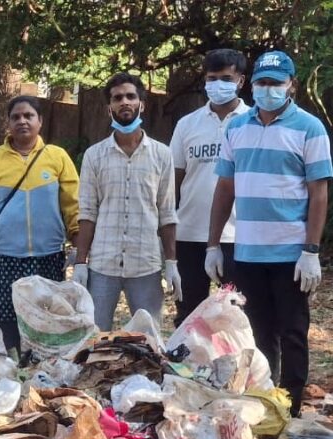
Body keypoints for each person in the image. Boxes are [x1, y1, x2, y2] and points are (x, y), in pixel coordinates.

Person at [207, 50, 332, 417]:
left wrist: (311, 250)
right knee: (257, 335)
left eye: (276, 83)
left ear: (291, 85)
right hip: (247, 252)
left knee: (293, 335)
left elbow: (319, 192)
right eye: (262, 82)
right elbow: (224, 188)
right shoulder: (236, 127)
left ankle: (290, 409)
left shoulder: (309, 127)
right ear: (252, 84)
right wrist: (213, 245)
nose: (268, 89)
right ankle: (264, 403)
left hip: (291, 254)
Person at [0, 95, 79, 352]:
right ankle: (11, 365)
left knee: (47, 316)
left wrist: (78, 244)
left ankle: (43, 367)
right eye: (15, 117)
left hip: (48, 256)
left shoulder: (57, 157)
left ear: (40, 121)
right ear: (8, 122)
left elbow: (73, 204)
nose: (22, 121)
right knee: (7, 316)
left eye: (29, 116)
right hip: (5, 257)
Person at [74, 72, 181, 332]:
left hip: (145, 263)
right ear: (108, 107)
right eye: (117, 98)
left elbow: (166, 213)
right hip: (102, 264)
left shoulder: (162, 154)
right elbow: (87, 212)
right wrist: (80, 263)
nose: (125, 102)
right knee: (92, 338)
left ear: (142, 104)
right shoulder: (94, 155)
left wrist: (171, 263)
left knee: (148, 341)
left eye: (131, 96)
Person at [169, 49, 250, 326]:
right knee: (189, 317)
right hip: (189, 235)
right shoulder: (187, 124)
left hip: (236, 236)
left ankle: (237, 369)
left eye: (226, 78)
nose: (218, 84)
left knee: (237, 317)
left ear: (240, 80)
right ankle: (185, 370)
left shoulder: (252, 122)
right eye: (212, 78)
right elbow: (173, 181)